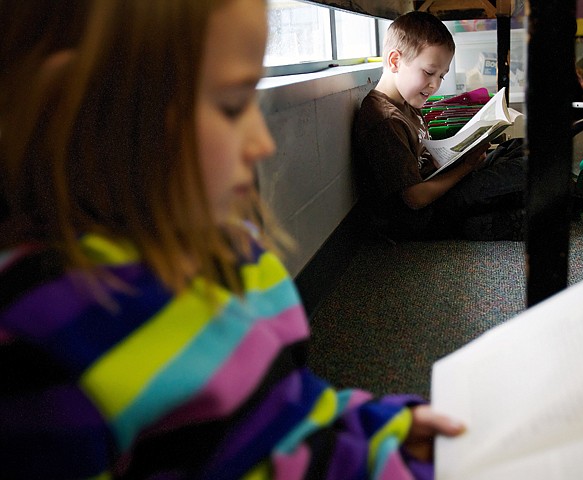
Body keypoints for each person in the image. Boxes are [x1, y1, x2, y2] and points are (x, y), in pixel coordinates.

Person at [0, 0, 466, 478]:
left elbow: (286, 407)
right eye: (230, 105)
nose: (262, 143)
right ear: (77, 102)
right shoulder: (46, 335)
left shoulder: (239, 252)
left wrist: (383, 427)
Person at [352, 11, 535, 243]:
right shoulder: (385, 121)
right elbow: (414, 198)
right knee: (529, 169)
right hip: (423, 215)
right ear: (395, 61)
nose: (435, 85)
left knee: (520, 147)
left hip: (441, 185)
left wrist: (465, 151)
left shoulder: (407, 102)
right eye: (429, 72)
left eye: (441, 75)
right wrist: (466, 168)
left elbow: (428, 158)